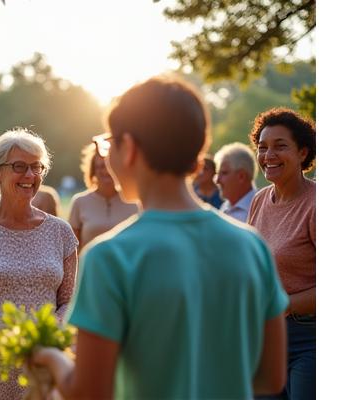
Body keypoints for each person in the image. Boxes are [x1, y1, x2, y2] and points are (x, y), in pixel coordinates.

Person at [32, 76, 289, 399]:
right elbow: (271, 377)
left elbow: (89, 392)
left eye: (109, 144)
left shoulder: (110, 257)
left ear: (130, 149)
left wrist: (51, 358)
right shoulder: (252, 247)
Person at [0, 128, 78, 400]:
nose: (30, 176)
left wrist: (39, 342)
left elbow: (69, 302)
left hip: (44, 369)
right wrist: (9, 342)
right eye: (19, 167)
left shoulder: (62, 233)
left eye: (37, 167)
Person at [247, 108, 316, 400]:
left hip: (311, 339)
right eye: (263, 147)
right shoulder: (261, 199)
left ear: (303, 153)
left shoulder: (318, 205)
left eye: (280, 146)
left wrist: (282, 304)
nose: (268, 155)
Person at [68, 142, 138, 250]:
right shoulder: (79, 202)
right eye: (101, 166)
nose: (106, 171)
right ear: (93, 171)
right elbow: (72, 249)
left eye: (109, 166)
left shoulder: (134, 202)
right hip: (91, 266)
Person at [214, 142, 259, 222]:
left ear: (241, 176)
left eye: (224, 173)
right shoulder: (225, 207)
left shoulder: (261, 208)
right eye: (218, 173)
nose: (217, 180)